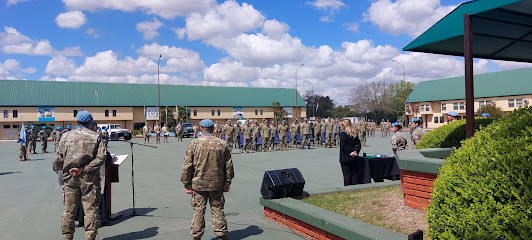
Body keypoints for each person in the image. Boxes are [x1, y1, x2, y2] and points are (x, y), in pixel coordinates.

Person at [53, 110, 106, 240]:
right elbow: (102, 157)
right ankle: (90, 237)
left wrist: (63, 171)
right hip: (89, 179)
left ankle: (67, 237)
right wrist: (84, 169)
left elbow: (57, 159)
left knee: (69, 211)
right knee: (91, 211)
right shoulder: (95, 136)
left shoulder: (65, 136)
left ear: (77, 122)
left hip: (70, 179)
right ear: (90, 123)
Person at [181, 119, 234, 240]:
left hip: (199, 184)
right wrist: (227, 182)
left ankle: (197, 236)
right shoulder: (222, 143)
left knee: (199, 210)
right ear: (213, 129)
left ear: (200, 129)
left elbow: (187, 166)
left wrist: (187, 184)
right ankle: (222, 236)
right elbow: (229, 166)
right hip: (217, 184)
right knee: (218, 209)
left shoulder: (194, 144)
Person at [339, 119, 362, 186]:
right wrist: (356, 152)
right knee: (354, 174)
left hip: (346, 157)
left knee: (347, 175)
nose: (341, 126)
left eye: (342, 125)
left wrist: (351, 153)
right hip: (354, 157)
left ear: (345, 125)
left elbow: (343, 146)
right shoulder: (354, 133)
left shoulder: (343, 134)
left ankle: (348, 189)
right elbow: (359, 144)